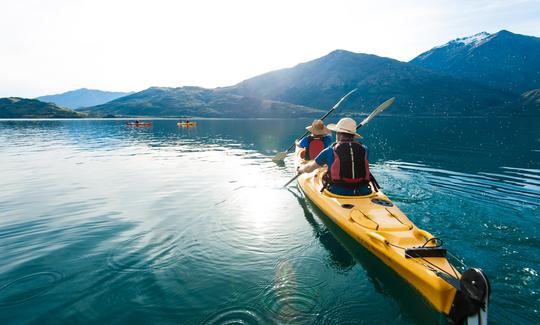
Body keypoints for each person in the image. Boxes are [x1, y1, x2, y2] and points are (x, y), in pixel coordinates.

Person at [298, 117, 372, 196]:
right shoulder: (365, 149)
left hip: (338, 192)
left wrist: (301, 170)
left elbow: (310, 168)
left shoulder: (329, 151)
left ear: (339, 134)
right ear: (353, 136)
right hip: (364, 191)